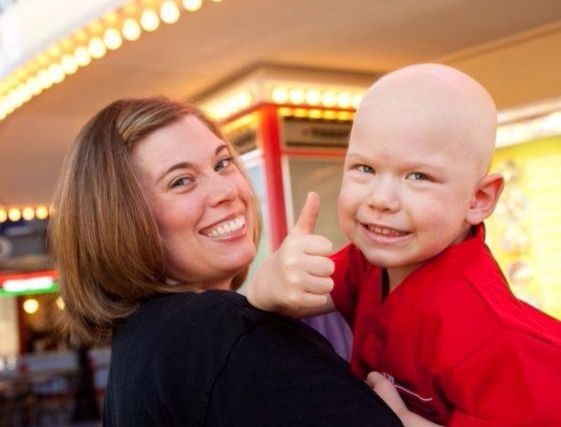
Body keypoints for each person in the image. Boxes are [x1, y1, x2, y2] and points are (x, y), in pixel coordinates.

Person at [49, 96, 406, 426]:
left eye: (223, 163)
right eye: (181, 181)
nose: (226, 191)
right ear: (121, 222)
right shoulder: (223, 332)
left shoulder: (144, 343)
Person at [246, 64, 561, 426]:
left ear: (478, 198)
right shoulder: (370, 263)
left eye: (418, 176)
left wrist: (401, 421)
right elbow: (295, 297)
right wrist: (268, 283)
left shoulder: (494, 338)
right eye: (365, 168)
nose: (381, 199)